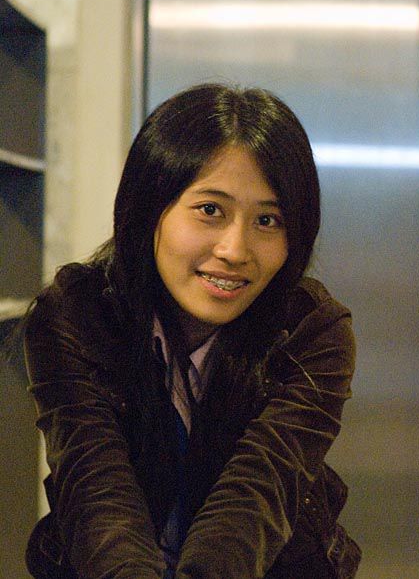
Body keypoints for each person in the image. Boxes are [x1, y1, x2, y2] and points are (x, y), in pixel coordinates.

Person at [19, 83, 359, 578]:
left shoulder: (312, 330)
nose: (235, 250)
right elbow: (97, 493)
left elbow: (257, 497)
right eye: (210, 210)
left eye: (268, 220)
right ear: (148, 208)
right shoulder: (76, 315)